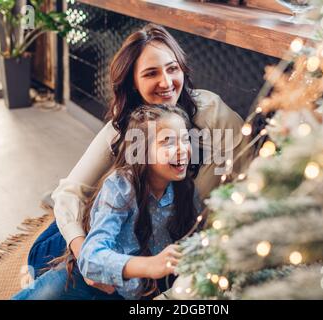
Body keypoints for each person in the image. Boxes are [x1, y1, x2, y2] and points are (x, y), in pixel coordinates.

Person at [28, 23, 252, 292]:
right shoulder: (122, 126)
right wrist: (85, 255)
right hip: (108, 232)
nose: (166, 83)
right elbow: (68, 192)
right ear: (133, 83)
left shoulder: (212, 113)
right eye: (151, 73)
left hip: (163, 241)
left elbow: (244, 178)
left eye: (173, 68)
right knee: (50, 269)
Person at [13, 104, 202, 299]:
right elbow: (90, 258)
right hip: (88, 275)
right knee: (45, 291)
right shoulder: (121, 187)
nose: (182, 150)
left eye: (186, 139)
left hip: (133, 288)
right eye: (168, 142)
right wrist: (151, 265)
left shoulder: (185, 188)